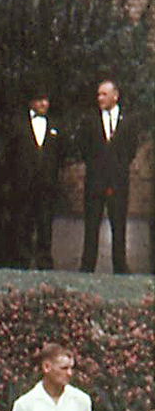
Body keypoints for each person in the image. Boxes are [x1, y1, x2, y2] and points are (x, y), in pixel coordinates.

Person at [80, 78, 142, 274]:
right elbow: (85, 149)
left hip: (118, 182)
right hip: (95, 182)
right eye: (98, 94)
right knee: (91, 227)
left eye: (104, 94)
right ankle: (87, 266)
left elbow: (131, 150)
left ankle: (120, 267)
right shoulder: (90, 120)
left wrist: (117, 169)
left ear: (115, 96)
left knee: (119, 227)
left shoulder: (129, 121)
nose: (100, 98)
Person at [6, 82, 61, 270]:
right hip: (24, 184)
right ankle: (21, 261)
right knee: (23, 222)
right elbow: (11, 153)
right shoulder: (18, 124)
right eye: (40, 100)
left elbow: (60, 154)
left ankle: (44, 261)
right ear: (31, 103)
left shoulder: (55, 125)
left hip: (47, 184)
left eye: (46, 100)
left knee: (45, 224)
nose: (44, 104)